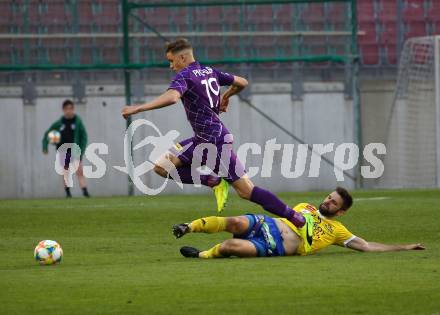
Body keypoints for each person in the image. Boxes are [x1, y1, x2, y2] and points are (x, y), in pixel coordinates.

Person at [121, 38, 311, 233]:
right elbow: (242, 82)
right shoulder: (210, 72)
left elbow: (172, 97)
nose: (171, 66)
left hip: (214, 142)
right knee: (162, 166)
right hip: (204, 138)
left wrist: (138, 108)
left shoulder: (185, 75)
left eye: (172, 61)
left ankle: (296, 218)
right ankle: (213, 181)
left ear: (183, 57)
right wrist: (226, 96)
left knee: (246, 191)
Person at [172, 187, 425, 258]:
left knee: (230, 247)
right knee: (236, 222)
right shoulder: (306, 207)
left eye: (333, 203)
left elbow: (367, 246)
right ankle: (189, 226)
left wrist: (404, 247)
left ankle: (203, 255)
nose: (328, 202)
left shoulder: (337, 231)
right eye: (329, 197)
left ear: (341, 212)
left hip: (275, 248)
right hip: (265, 225)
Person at [42, 99, 90, 198]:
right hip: (63, 150)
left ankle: (85, 192)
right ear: (63, 110)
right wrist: (45, 146)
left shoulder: (77, 122)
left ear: (73, 109)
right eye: (66, 109)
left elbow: (84, 136)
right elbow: (48, 133)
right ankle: (68, 193)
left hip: (75, 150)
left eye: (70, 108)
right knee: (66, 172)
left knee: (79, 171)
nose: (69, 110)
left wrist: (81, 149)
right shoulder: (59, 123)